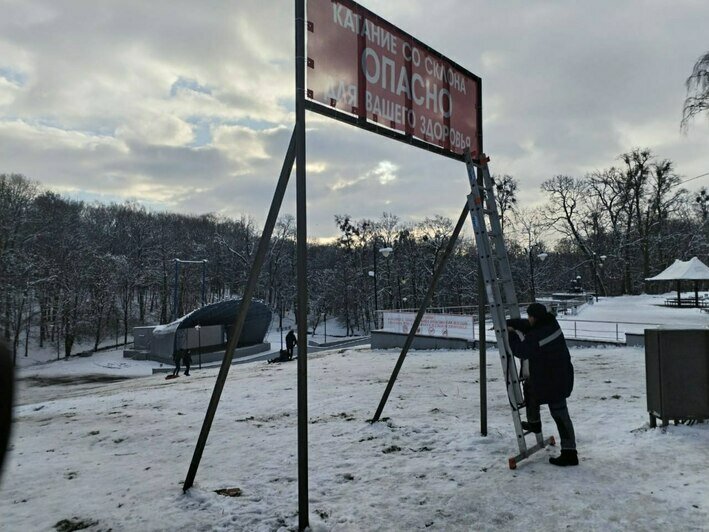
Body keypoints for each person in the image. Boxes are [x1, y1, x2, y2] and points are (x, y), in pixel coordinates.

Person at [507, 303, 578, 467]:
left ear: (534, 317)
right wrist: (513, 323)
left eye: (529, 317)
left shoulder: (538, 335)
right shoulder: (550, 324)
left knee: (560, 415)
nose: (529, 320)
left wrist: (511, 334)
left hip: (554, 381)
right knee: (530, 388)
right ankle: (534, 423)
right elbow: (529, 327)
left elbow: (521, 350)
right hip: (558, 376)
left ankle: (569, 453)